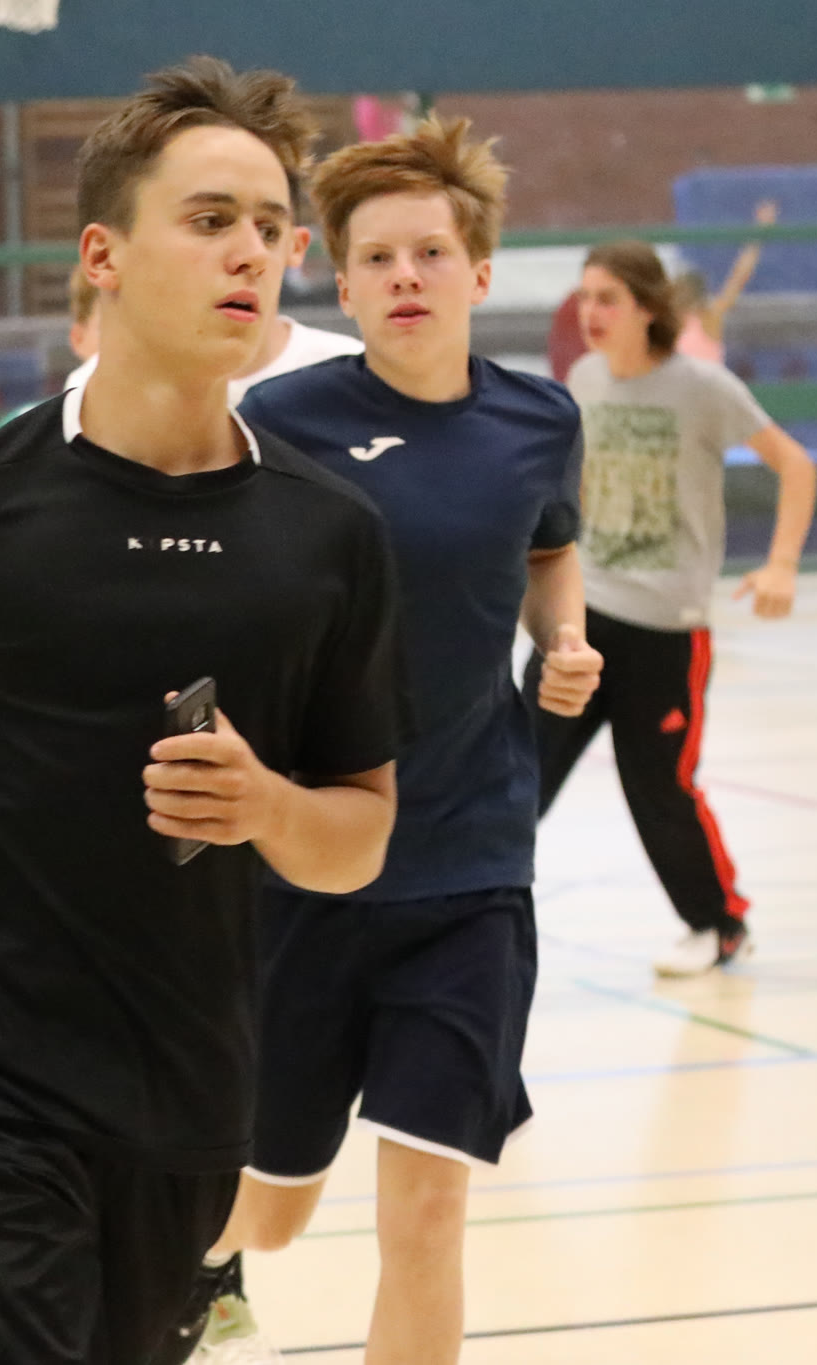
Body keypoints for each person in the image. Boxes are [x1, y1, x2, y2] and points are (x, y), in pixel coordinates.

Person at [0, 59, 406, 1365]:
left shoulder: (330, 535)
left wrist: (269, 807)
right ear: (103, 254)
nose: (250, 252)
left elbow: (360, 837)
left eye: (271, 228)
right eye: (209, 219)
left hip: (188, 1096)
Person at [184, 116, 601, 1365]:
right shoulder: (277, 424)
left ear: (479, 272)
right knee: (267, 1211)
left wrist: (563, 639)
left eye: (429, 253)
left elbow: (548, 545)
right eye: (377, 258)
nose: (405, 277)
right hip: (305, 870)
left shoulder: (538, 420)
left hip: (471, 869)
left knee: (425, 1215)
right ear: (343, 282)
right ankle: (167, 1278)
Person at [533, 239, 817, 977]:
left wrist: (782, 563)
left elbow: (796, 465)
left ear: (647, 309)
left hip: (665, 631)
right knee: (515, 772)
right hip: (580, 619)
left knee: (659, 788)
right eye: (584, 297)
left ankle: (720, 924)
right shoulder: (585, 377)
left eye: (607, 299)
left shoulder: (704, 388)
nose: (590, 312)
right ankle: (459, 909)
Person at [66, 208, 361, 398]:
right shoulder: (92, 391)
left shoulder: (351, 370)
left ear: (296, 247)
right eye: (209, 225)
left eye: (268, 232)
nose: (251, 255)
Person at [674, 198, 780, 364]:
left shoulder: (708, 320)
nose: (680, 298)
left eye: (684, 293)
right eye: (678, 292)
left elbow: (739, 277)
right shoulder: (664, 327)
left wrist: (761, 230)